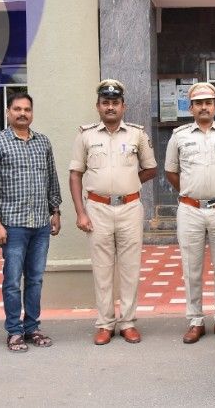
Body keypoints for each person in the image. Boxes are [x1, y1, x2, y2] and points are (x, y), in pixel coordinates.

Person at [69, 79, 157, 345]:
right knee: (103, 269)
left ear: (123, 106)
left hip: (130, 207)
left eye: (115, 103)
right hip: (97, 209)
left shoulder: (137, 134)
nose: (110, 107)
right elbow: (75, 175)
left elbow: (151, 168)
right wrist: (81, 212)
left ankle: (128, 322)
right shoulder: (85, 135)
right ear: (98, 106)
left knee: (130, 268)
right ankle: (105, 323)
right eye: (105, 102)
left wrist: (128, 183)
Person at [165, 82, 215, 344]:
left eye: (208, 102)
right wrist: (192, 194)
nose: (204, 107)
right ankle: (195, 320)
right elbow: (171, 172)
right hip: (190, 210)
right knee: (191, 267)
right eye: (199, 103)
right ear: (191, 108)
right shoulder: (179, 136)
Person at [0, 92, 62, 352]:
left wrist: (55, 210)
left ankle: (32, 327)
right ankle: (14, 331)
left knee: (35, 279)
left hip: (40, 223)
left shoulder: (43, 142)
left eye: (27, 109)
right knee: (13, 280)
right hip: (12, 225)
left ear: (32, 113)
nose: (22, 113)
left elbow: (52, 178)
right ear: (8, 112)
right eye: (17, 109)